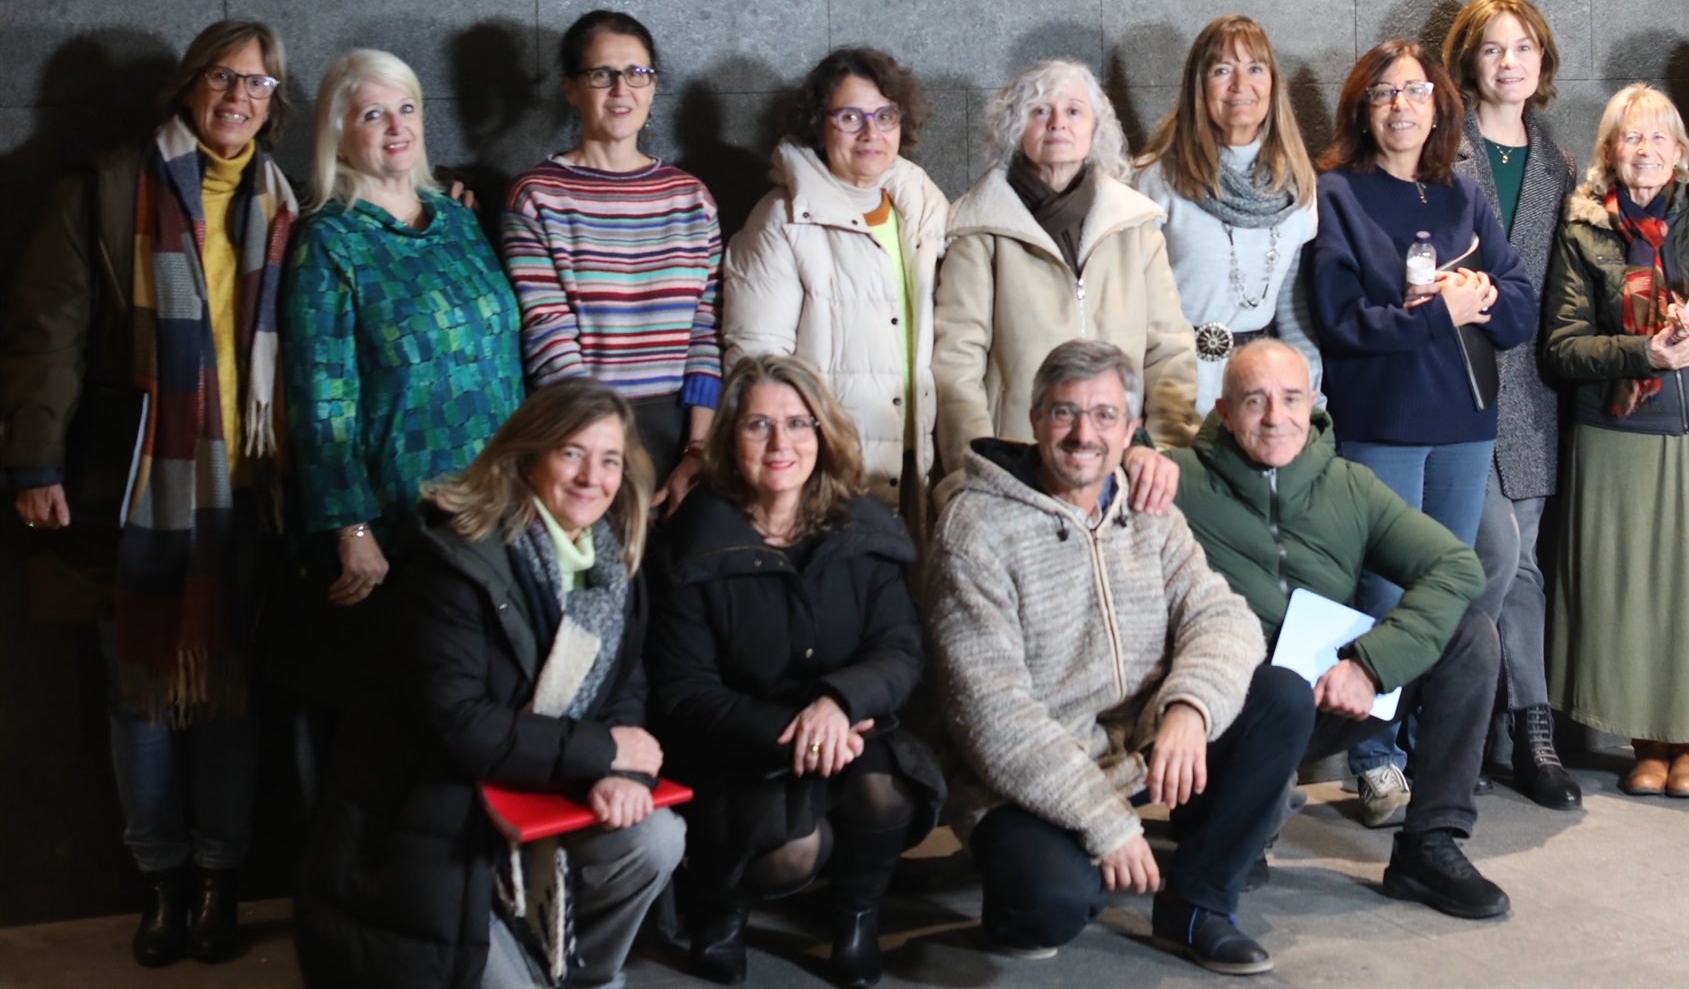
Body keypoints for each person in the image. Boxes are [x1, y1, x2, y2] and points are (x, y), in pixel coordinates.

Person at [0, 19, 299, 968]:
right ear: (186, 86)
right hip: (135, 492)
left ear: (274, 104)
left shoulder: (289, 202)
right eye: (223, 77)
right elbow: (48, 331)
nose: (238, 97)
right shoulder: (104, 188)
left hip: (252, 497)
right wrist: (35, 462)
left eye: (257, 85)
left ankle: (221, 879)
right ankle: (161, 880)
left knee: (232, 697)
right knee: (140, 700)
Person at [294, 379, 683, 989]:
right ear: (527, 457)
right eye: (571, 453)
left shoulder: (611, 558)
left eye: (609, 460)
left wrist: (621, 772)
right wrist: (603, 751)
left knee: (655, 838)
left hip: (537, 796)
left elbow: (623, 686)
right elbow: (458, 725)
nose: (592, 478)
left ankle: (581, 975)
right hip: (437, 815)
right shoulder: (454, 559)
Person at [926, 340, 1291, 973]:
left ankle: (1198, 906)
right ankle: (1022, 880)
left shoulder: (1145, 509)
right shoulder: (975, 531)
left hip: (1139, 747)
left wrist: (1189, 710)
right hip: (1020, 777)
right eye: (1065, 413)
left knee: (1280, 697)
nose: (1083, 433)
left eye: (1104, 416)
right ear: (1035, 419)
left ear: (1129, 429)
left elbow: (1223, 615)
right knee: (1053, 906)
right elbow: (992, 717)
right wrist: (1107, 825)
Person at [1169, 339, 1511, 919]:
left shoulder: (1348, 484)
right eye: (1254, 401)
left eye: (1291, 399)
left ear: (1313, 404)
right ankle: (1227, 823)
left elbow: (1455, 566)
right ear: (1223, 412)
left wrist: (1371, 663)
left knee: (1470, 636)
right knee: (1261, 704)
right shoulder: (1177, 481)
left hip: (1323, 695)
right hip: (1229, 712)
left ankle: (1429, 845)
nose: (1276, 418)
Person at [647, 354, 943, 987]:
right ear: (729, 440)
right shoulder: (692, 542)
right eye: (758, 426)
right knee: (791, 852)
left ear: (822, 434)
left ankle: (857, 914)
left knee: (884, 790)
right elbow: (685, 692)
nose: (781, 443)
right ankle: (718, 907)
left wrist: (837, 705)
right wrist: (797, 730)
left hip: (850, 726)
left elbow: (899, 648)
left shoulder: (865, 527)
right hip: (741, 745)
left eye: (799, 424)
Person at [1305, 39, 1536, 827]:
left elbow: (1520, 307)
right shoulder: (1337, 194)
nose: (1402, 106)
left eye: (1415, 91)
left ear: (1440, 105)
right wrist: (1439, 313)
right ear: (1362, 110)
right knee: (1384, 593)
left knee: (1454, 587)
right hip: (1381, 423)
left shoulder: (1462, 194)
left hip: (1464, 423)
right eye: (1384, 94)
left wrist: (1478, 297)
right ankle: (1373, 757)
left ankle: (1426, 743)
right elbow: (1339, 323)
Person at [1542, 82, 1689, 799]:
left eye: (1657, 138)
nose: (1643, 150)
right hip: (1619, 432)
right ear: (1609, 153)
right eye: (1628, 137)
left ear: (1680, 152)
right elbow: (1561, 347)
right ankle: (1645, 741)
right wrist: (1643, 353)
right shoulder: (1583, 232)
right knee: (1632, 595)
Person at [283, 51, 524, 742]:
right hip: (399, 524)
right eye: (373, 114)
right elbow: (321, 399)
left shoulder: (457, 221)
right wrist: (350, 529)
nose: (396, 127)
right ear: (339, 131)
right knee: (415, 721)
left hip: (492, 508)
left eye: (408, 109)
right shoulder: (328, 240)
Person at [1440, 0, 1579, 809]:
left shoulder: (1559, 162)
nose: (1509, 63)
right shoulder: (1437, 146)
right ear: (1469, 63)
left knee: (1522, 564)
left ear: (1542, 61)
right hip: (1451, 379)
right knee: (1482, 558)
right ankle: (1450, 721)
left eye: (1523, 47)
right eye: (1493, 50)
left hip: (1529, 391)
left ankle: (1530, 729)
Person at [720, 46, 949, 533]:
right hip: (824, 476)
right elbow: (754, 363)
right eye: (850, 117)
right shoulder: (781, 220)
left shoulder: (923, 210)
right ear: (818, 125)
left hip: (915, 465)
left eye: (885, 115)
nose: (871, 133)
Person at [931, 59, 1198, 470]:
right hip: (1016, 464)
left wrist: (1162, 451)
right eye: (1040, 111)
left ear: (1095, 129)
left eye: (1074, 111)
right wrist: (979, 467)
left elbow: (1170, 350)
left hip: (1123, 459)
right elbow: (955, 368)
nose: (1058, 123)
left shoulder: (1136, 226)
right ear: (1016, 128)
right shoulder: (977, 229)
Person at [503, 9, 722, 510]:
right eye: (601, 74)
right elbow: (546, 330)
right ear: (571, 88)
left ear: (653, 85)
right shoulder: (537, 196)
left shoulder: (690, 198)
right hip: (580, 435)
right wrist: (603, 453)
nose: (621, 90)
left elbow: (704, 330)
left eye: (637, 74)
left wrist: (697, 449)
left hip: (679, 429)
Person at [1132, 15, 1320, 413]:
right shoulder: (1155, 179)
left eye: (1255, 68)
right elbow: (1129, 303)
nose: (1241, 85)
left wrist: (1310, 395)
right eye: (1222, 70)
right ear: (1198, 86)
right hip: (1175, 389)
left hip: (1263, 392)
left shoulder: (1296, 182)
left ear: (1272, 83)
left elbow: (1292, 305)